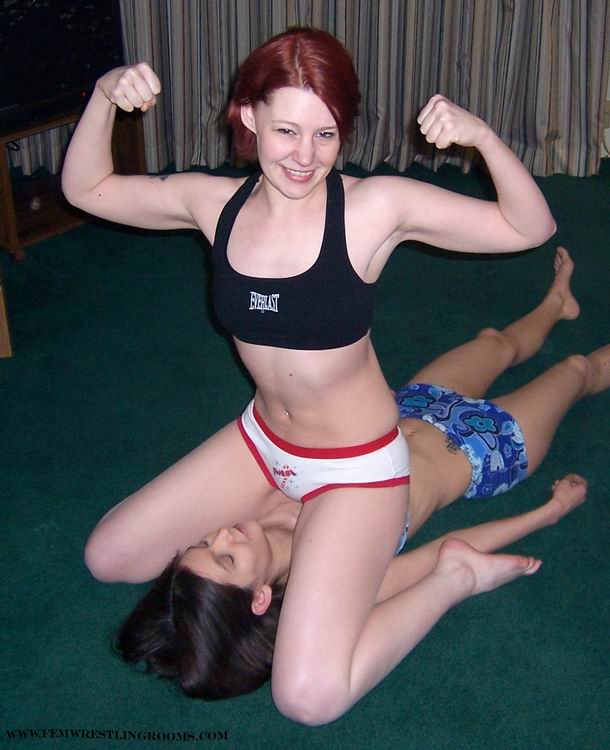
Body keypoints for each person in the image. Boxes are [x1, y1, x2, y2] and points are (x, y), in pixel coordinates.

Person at [62, 27, 557, 725]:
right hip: (264, 442)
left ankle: (451, 578)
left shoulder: (373, 209)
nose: (304, 156)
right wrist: (103, 96)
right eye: (287, 130)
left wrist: (481, 137)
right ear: (248, 116)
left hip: (357, 468)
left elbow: (529, 226)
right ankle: (282, 528)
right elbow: (86, 188)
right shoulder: (215, 205)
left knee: (307, 698)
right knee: (108, 555)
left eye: (325, 135)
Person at [114, 247, 603, 703]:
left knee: (495, 343)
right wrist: (546, 513)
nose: (222, 535)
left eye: (205, 543)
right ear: (259, 597)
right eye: (226, 558)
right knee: (577, 370)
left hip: (413, 404)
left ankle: (556, 305)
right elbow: (443, 554)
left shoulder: (254, 508)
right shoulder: (332, 580)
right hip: (486, 451)